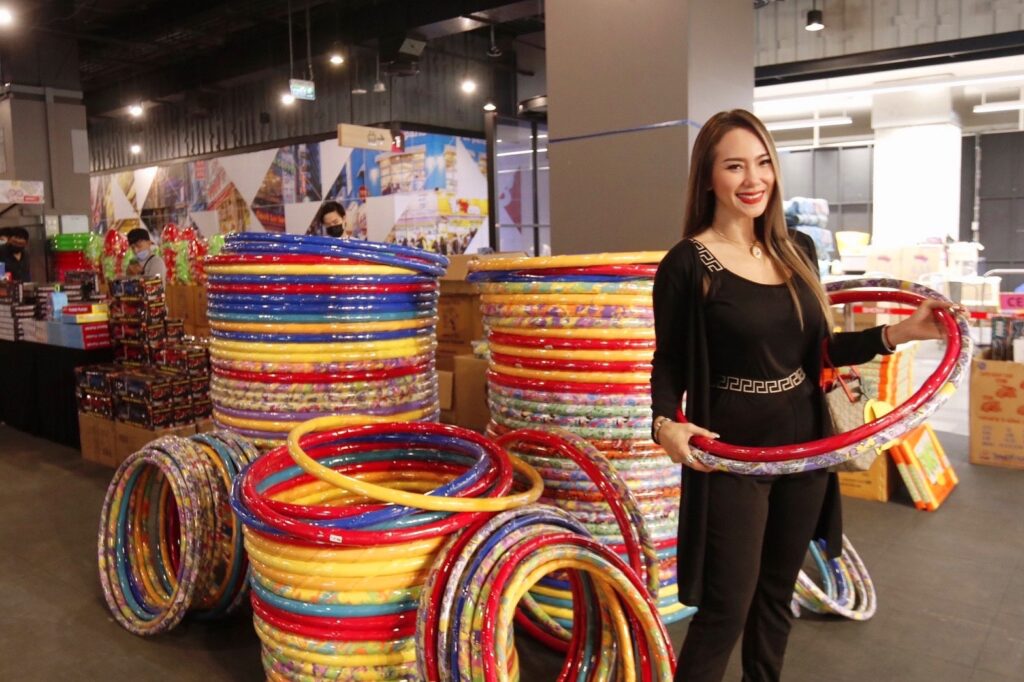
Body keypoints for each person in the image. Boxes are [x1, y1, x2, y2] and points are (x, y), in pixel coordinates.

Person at [650, 109, 953, 682]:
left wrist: (899, 333)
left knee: (775, 596)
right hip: (733, 451)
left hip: (804, 444)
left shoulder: (798, 249)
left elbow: (820, 349)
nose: (753, 179)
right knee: (726, 608)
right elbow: (669, 358)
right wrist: (665, 423)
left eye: (763, 163)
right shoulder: (688, 263)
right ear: (708, 177)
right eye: (734, 166)